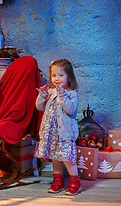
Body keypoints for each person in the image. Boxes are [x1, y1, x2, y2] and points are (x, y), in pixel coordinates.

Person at [35, 59, 81, 196]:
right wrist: (42, 96)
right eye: (54, 75)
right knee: (55, 157)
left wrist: (63, 96)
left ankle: (75, 182)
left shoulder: (71, 94)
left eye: (61, 75)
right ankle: (58, 180)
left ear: (69, 77)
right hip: (52, 133)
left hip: (65, 133)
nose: (57, 79)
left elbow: (71, 111)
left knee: (67, 157)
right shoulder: (50, 92)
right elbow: (39, 107)